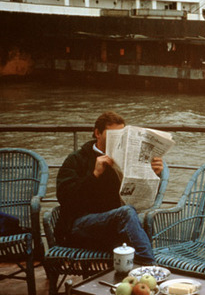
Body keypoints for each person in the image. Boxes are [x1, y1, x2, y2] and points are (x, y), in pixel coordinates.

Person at [55, 111, 163, 264]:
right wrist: (95, 175)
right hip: (78, 225)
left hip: (113, 225)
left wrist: (152, 175)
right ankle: (150, 266)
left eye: (121, 135)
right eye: (112, 135)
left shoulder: (125, 160)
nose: (118, 139)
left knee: (129, 215)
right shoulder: (77, 159)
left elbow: (142, 201)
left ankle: (141, 275)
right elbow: (65, 198)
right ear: (97, 133)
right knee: (126, 214)